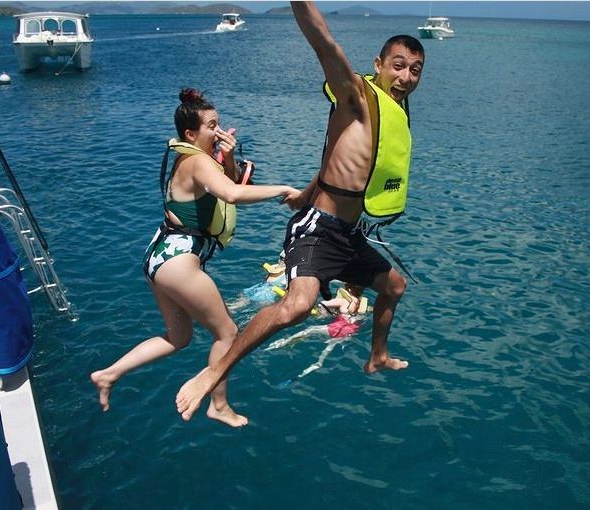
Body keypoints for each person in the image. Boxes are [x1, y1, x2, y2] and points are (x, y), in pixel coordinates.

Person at [175, 1, 425, 422]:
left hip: (349, 233)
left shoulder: (395, 112)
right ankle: (213, 371)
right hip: (319, 229)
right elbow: (322, 38)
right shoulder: (356, 95)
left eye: (415, 70)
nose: (404, 77)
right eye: (397, 65)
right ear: (378, 64)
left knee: (394, 286)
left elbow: (343, 162)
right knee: (295, 306)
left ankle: (377, 356)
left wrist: (306, 190)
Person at [90, 88, 300, 427]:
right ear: (191, 134)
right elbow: (232, 192)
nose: (219, 132)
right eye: (211, 126)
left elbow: (223, 185)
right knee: (228, 332)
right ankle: (218, 404)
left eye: (219, 124)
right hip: (179, 260)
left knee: (179, 337)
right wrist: (284, 189)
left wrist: (229, 159)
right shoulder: (198, 161)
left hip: (161, 257)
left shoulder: (189, 159)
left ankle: (109, 374)